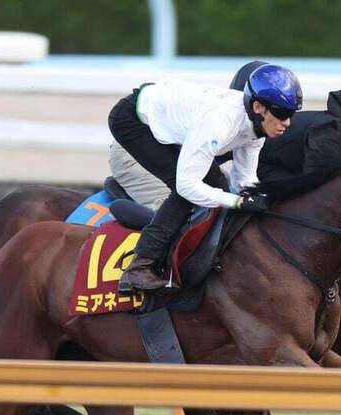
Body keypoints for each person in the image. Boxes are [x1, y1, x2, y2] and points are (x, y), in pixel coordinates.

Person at [109, 63, 303, 292]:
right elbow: (187, 185)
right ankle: (140, 267)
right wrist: (237, 201)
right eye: (282, 114)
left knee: (217, 185)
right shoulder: (221, 123)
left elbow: (243, 182)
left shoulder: (257, 131)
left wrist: (261, 202)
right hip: (132, 120)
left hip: (169, 116)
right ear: (258, 107)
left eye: (291, 114)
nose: (287, 123)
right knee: (186, 192)